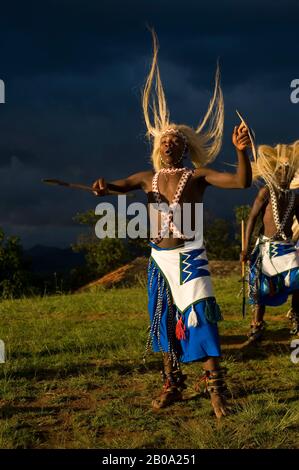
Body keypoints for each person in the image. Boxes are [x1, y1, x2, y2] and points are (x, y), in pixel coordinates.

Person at [93, 31, 252, 418]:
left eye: (176, 138)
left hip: (190, 257)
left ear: (185, 147)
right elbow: (115, 186)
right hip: (158, 260)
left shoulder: (198, 177)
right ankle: (173, 383)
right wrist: (102, 187)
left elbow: (243, 182)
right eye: (164, 138)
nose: (169, 141)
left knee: (201, 318)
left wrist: (241, 152)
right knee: (163, 322)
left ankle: (217, 390)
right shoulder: (146, 177)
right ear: (156, 146)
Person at [241, 141, 299, 343]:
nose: (285, 175)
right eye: (281, 171)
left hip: (286, 247)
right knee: (260, 288)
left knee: (298, 280)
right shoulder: (265, 192)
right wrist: (245, 248)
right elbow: (252, 218)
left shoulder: (295, 197)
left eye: (289, 172)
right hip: (265, 248)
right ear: (274, 172)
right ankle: (256, 326)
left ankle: (296, 318)